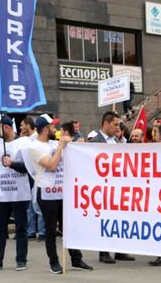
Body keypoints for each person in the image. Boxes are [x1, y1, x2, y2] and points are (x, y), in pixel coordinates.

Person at [25, 114, 92, 273]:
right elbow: (52, 165)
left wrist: (77, 143)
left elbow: (74, 150)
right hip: (46, 191)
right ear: (45, 129)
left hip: (62, 191)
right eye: (53, 127)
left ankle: (77, 259)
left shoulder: (54, 143)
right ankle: (54, 261)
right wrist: (61, 146)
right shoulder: (34, 147)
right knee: (50, 229)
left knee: (68, 226)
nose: (56, 130)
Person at [0, 116, 31, 271]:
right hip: (1, 193)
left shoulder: (23, 143)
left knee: (21, 227)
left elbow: (29, 167)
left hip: (19, 193)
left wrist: (13, 164)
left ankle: (21, 259)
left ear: (7, 127)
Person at [92, 111, 136, 265]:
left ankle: (119, 250)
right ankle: (103, 252)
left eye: (118, 125)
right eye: (115, 125)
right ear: (105, 123)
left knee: (119, 220)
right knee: (105, 221)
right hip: (103, 188)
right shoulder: (94, 141)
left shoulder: (115, 142)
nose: (118, 128)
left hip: (117, 188)